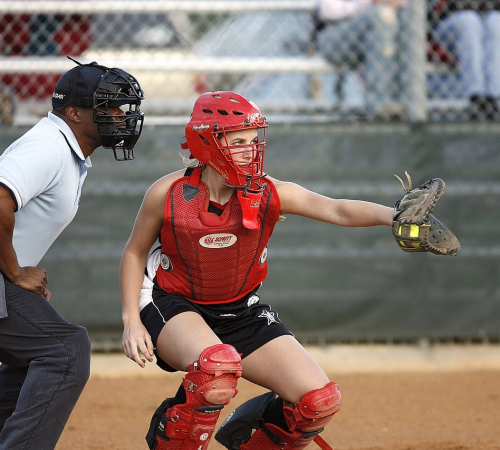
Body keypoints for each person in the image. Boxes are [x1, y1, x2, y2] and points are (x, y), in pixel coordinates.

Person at [120, 90, 395, 450]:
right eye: (237, 142)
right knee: (216, 372)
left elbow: (337, 210)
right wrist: (131, 319)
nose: (250, 150)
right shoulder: (167, 193)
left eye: (253, 140)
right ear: (206, 143)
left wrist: (395, 217)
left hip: (240, 308)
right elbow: (134, 252)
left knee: (317, 402)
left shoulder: (267, 191)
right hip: (173, 302)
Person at [0, 58, 145, 450]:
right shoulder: (48, 146)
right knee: (66, 350)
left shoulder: (63, 148)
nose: (120, 115)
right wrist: (14, 273)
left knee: (32, 355)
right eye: (109, 105)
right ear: (75, 113)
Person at [314, 0, 407, 117]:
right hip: (334, 35)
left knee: (404, 15)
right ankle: (379, 103)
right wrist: (370, 2)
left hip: (382, 32)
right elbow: (329, 11)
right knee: (381, 13)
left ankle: (409, 101)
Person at [429, 0, 500, 120]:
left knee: (496, 21)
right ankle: (477, 98)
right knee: (469, 20)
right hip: (451, 22)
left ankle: (495, 96)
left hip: (488, 21)